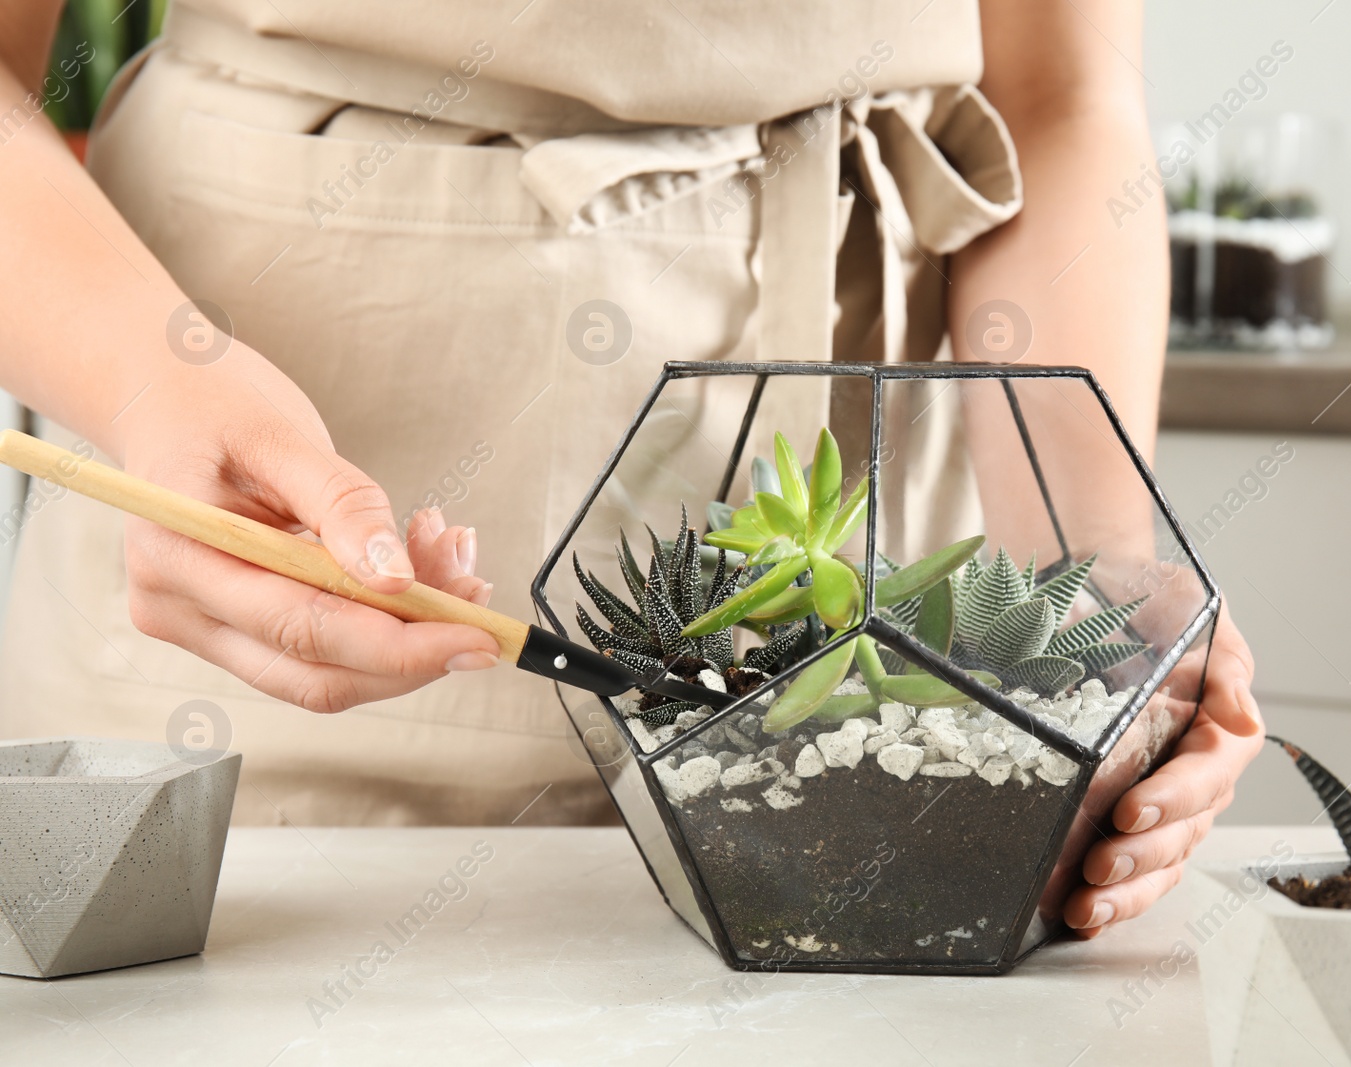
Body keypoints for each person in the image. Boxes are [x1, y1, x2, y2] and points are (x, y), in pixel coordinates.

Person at [0, 0, 1261, 936]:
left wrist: (1090, 590)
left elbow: (1053, 94)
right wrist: (150, 380)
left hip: (871, 646)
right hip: (274, 595)